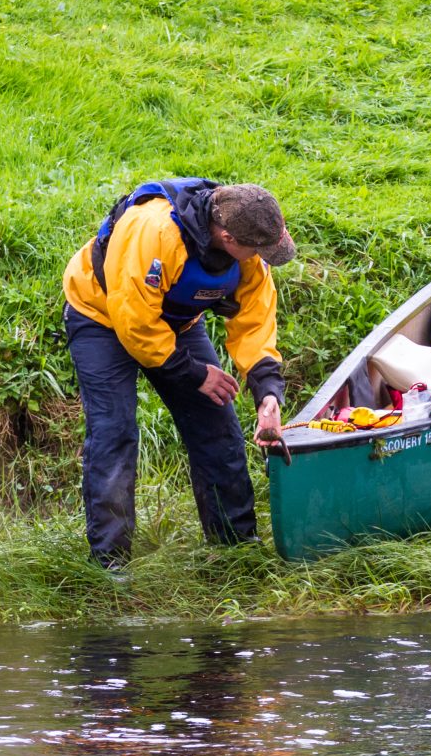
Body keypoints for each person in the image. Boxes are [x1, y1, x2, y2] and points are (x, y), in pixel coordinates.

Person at [61, 178, 295, 566]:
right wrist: (194, 373)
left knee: (218, 427)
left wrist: (267, 392)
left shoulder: (247, 246)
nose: (260, 258)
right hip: (101, 316)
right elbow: (134, 322)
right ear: (226, 236)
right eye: (256, 249)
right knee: (114, 433)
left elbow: (255, 320)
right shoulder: (153, 232)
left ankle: (235, 550)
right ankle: (111, 564)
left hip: (176, 324)